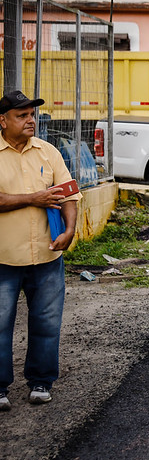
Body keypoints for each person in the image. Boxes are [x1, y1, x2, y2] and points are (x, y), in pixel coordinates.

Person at [0, 90, 81, 410]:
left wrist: (70, 230)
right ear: (2, 121)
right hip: (4, 257)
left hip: (47, 257)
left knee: (47, 322)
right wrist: (32, 198)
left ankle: (41, 381)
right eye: (21, 115)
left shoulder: (48, 152)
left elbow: (69, 195)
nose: (30, 120)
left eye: (31, 114)